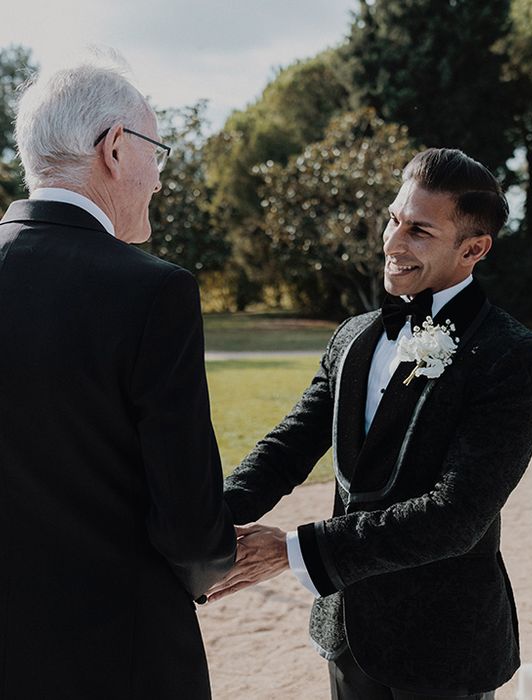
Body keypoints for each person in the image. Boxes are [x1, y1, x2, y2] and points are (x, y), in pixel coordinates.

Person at [210, 148, 532, 699]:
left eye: (419, 230)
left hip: (446, 644)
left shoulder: (514, 357)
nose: (393, 244)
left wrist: (294, 550)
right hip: (346, 631)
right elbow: (290, 445)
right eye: (394, 219)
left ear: (474, 248)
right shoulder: (353, 336)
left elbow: (457, 515)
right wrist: (204, 525)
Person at [0, 54, 235, 700]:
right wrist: (216, 562)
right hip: (123, 658)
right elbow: (190, 526)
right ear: (114, 149)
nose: (159, 179)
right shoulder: (152, 291)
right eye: (157, 152)